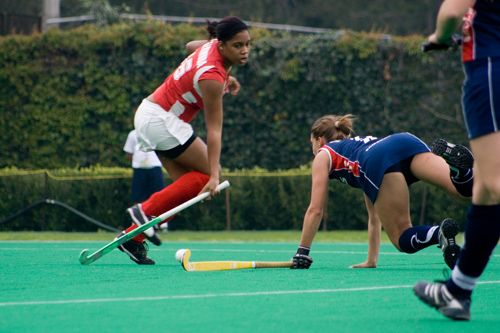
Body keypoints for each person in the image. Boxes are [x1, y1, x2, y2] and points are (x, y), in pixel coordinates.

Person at [116, 16, 251, 265]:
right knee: (209, 174)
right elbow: (215, 131)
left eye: (247, 44)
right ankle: (143, 212)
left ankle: (131, 238)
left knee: (189, 192)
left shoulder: (210, 48)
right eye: (237, 45)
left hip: (150, 114)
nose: (244, 51)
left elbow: (191, 45)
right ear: (222, 45)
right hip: (161, 120)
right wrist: (214, 176)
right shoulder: (211, 76)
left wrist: (227, 79)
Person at [290, 114, 474, 271]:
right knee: (466, 195)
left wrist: (302, 252)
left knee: (402, 237)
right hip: (402, 141)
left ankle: (438, 233)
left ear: (320, 140)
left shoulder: (324, 153)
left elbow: (315, 209)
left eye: (311, 142)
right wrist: (371, 261)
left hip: (377, 159)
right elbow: (374, 215)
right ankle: (459, 169)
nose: (313, 148)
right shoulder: (355, 149)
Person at [413, 0, 500, 321]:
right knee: (484, 193)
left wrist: (440, 36)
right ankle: (457, 290)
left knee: (492, 184)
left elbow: (451, 12)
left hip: (490, 70)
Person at [123, 129, 166, 203]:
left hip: (155, 169)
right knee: (138, 198)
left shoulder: (157, 133)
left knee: (159, 197)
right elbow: (129, 154)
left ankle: (158, 214)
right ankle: (140, 214)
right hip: (139, 170)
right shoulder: (133, 134)